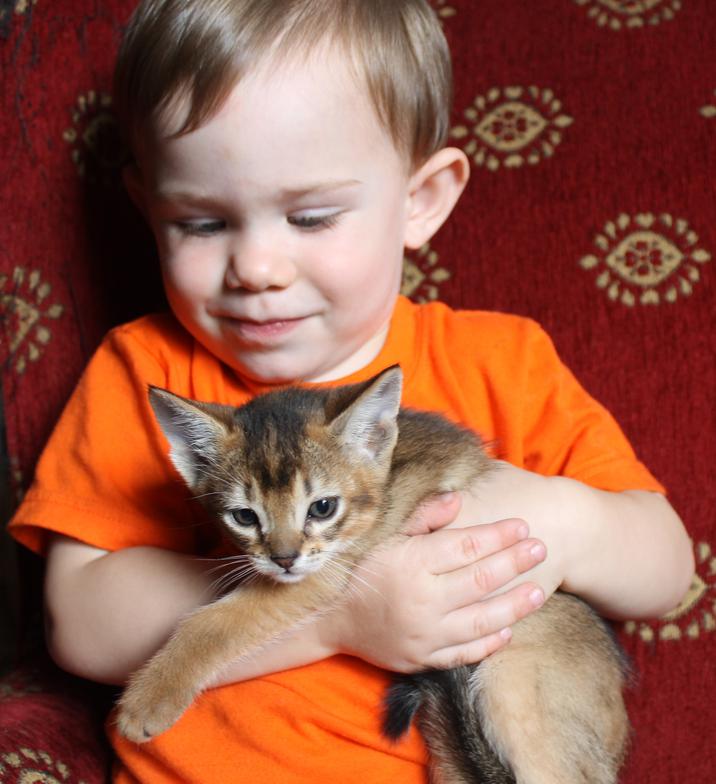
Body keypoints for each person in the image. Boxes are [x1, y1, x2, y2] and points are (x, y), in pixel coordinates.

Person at [8, 1, 693, 781]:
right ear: (147, 209)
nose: (257, 268)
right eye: (201, 224)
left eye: (310, 216)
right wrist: (341, 616)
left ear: (422, 199)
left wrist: (559, 516)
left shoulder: (503, 359)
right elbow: (80, 626)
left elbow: (668, 570)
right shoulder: (144, 373)